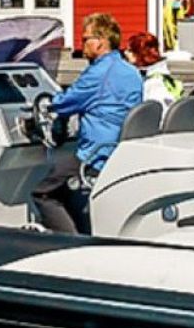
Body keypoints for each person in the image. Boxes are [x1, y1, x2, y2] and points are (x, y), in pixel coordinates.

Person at [31, 13, 143, 233]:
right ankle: (82, 232)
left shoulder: (98, 73)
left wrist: (44, 104)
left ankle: (68, 242)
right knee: (63, 185)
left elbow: (63, 103)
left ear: (100, 42)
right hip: (118, 151)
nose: (81, 45)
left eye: (85, 39)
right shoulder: (131, 72)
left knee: (43, 192)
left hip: (94, 154)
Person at [121, 31, 181, 103]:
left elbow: (154, 111)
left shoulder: (154, 83)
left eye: (130, 50)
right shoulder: (162, 76)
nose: (125, 52)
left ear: (141, 53)